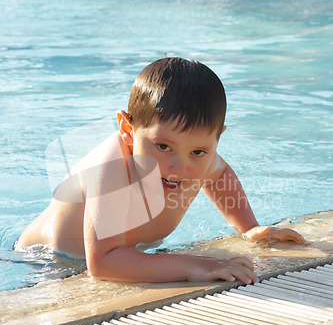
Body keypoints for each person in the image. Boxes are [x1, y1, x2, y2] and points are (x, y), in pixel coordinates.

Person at [15, 57, 308, 284]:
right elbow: (104, 264)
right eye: (163, 146)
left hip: (118, 253)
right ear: (127, 129)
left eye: (198, 151)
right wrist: (197, 265)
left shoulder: (199, 161)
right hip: (45, 262)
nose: (179, 167)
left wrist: (249, 227)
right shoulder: (112, 169)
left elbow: (218, 175)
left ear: (217, 139)